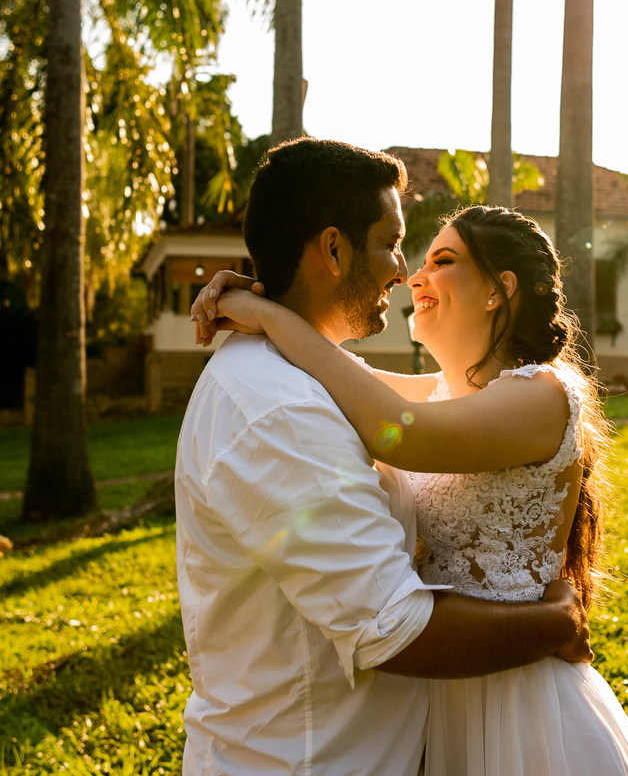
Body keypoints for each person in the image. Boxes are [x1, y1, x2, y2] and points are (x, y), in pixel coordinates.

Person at [175, 138, 591, 776]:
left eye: (438, 258)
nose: (406, 272)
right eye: (394, 244)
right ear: (335, 249)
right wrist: (554, 624)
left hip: (509, 710)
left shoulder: (526, 396)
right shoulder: (281, 407)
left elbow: (398, 422)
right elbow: (391, 627)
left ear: (498, 292)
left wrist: (270, 315)